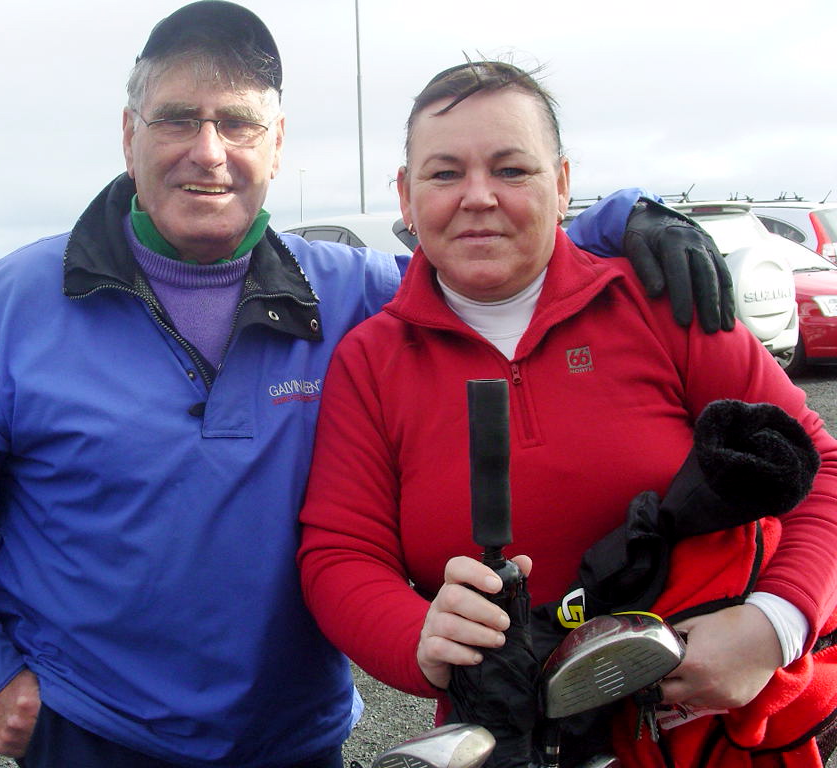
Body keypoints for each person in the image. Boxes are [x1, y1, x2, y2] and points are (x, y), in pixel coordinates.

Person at [0, 4, 731, 768]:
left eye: (238, 123)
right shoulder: (12, 306)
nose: (208, 151)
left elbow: (493, 249)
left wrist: (628, 216)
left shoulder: (354, 294)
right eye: (176, 119)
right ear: (128, 135)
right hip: (91, 733)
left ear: (277, 144)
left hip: (295, 741)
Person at [296, 60, 837, 767]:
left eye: (511, 170)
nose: (478, 197)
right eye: (445, 173)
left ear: (561, 184)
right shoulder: (371, 360)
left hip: (709, 735)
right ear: (405, 194)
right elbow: (340, 553)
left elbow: (819, 467)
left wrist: (774, 625)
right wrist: (420, 638)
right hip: (507, 737)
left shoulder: (660, 304)